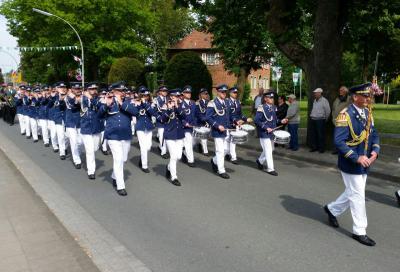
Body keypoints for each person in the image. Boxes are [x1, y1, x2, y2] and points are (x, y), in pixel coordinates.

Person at [324, 82, 380, 247]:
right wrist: (356, 157)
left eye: (369, 96)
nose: (368, 98)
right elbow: (339, 141)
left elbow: (374, 134)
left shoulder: (367, 112)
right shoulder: (345, 114)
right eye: (365, 96)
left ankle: (332, 209)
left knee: (354, 192)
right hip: (351, 162)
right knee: (357, 196)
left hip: (366, 161)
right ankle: (360, 231)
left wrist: (375, 151)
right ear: (355, 97)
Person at [98, 82, 136, 196]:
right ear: (113, 91)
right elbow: (99, 115)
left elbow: (136, 112)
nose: (122, 93)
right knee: (118, 159)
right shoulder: (106, 101)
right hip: (113, 135)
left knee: (123, 159)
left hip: (126, 135)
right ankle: (120, 185)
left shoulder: (128, 101)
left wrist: (121, 103)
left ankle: (114, 175)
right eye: (120, 91)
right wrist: (106, 105)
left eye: (123, 91)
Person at [157, 88, 185, 186]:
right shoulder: (165, 105)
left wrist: (177, 106)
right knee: (173, 156)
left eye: (178, 96)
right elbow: (162, 119)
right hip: (170, 134)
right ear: (171, 96)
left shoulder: (181, 105)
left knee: (179, 156)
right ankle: (174, 177)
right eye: (175, 96)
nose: (177, 98)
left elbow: (184, 116)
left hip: (180, 134)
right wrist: (169, 109)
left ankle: (169, 167)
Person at [255, 91, 286, 175]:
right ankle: (270, 169)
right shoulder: (261, 107)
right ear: (265, 99)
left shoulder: (273, 107)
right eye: (270, 98)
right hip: (264, 132)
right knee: (268, 150)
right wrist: (266, 127)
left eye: (273, 98)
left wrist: (281, 121)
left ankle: (260, 161)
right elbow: (257, 120)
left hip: (272, 132)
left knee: (271, 149)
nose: (272, 99)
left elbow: (274, 120)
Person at [206, 84, 231, 179]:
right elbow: (208, 117)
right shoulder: (212, 103)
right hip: (218, 131)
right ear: (218, 92)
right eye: (222, 92)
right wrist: (217, 125)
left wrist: (237, 121)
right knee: (220, 150)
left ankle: (214, 160)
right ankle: (221, 170)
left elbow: (228, 116)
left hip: (226, 130)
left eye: (225, 92)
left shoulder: (227, 102)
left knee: (226, 150)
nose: (224, 93)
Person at [80, 82, 103, 180]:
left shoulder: (98, 99)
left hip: (96, 127)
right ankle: (91, 171)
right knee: (90, 151)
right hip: (86, 127)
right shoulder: (82, 98)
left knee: (95, 148)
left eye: (95, 89)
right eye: (92, 89)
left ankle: (85, 152)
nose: (94, 91)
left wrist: (91, 98)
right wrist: (86, 97)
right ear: (87, 90)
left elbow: (99, 106)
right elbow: (79, 103)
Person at [132, 86, 156, 173]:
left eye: (146, 95)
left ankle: (142, 160)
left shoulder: (151, 104)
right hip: (140, 127)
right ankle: (144, 166)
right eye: (143, 95)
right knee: (143, 147)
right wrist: (137, 104)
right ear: (140, 95)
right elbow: (134, 113)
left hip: (149, 127)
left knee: (148, 147)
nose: (145, 97)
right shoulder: (135, 103)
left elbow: (153, 113)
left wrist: (145, 103)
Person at [226, 86, 252, 164]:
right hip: (228, 124)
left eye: (236, 93)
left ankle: (233, 157)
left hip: (236, 124)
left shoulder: (238, 102)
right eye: (234, 92)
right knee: (227, 140)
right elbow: (228, 114)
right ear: (230, 93)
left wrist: (245, 119)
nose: (235, 94)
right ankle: (227, 153)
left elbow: (240, 114)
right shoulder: (227, 102)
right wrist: (235, 121)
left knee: (233, 140)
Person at [65, 83, 83, 169]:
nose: (78, 90)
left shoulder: (83, 97)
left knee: (80, 142)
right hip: (70, 123)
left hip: (80, 122)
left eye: (79, 89)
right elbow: (73, 106)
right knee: (74, 141)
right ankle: (77, 160)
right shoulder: (68, 97)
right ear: (72, 90)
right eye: (75, 89)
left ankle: (77, 154)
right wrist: (75, 98)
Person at [309, 88, 330, 153]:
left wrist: (325, 118)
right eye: (314, 93)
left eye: (316, 93)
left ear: (320, 93)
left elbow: (328, 110)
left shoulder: (324, 100)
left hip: (320, 119)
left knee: (320, 135)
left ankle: (321, 148)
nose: (314, 94)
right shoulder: (315, 100)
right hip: (313, 119)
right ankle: (314, 147)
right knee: (313, 134)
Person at [331, 86, 351, 154]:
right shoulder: (337, 99)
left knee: (343, 136)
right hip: (335, 120)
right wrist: (333, 117)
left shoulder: (349, 99)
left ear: (345, 91)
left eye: (341, 90)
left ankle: (343, 150)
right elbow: (333, 109)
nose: (340, 91)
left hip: (343, 121)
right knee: (336, 135)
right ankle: (336, 149)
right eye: (340, 90)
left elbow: (350, 108)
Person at [181, 85, 197, 167]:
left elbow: (195, 115)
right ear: (183, 94)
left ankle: (184, 153)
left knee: (193, 142)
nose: (189, 94)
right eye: (187, 92)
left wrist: (196, 123)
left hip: (193, 127)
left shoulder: (193, 103)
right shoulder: (180, 104)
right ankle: (191, 160)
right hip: (185, 127)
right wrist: (185, 123)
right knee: (189, 142)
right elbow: (179, 116)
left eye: (189, 92)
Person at [154, 85, 169, 159]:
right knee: (161, 136)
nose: (165, 92)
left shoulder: (168, 99)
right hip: (160, 120)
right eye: (163, 91)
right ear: (160, 92)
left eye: (166, 91)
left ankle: (161, 146)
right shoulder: (156, 100)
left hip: (168, 120)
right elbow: (157, 110)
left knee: (166, 136)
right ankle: (163, 152)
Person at [195, 88, 210, 156]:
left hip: (207, 123)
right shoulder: (198, 103)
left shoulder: (209, 103)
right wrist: (204, 119)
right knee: (204, 138)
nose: (206, 95)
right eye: (205, 94)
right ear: (201, 95)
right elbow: (198, 113)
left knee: (204, 137)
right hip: (200, 122)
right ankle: (205, 151)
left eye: (207, 93)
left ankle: (200, 144)